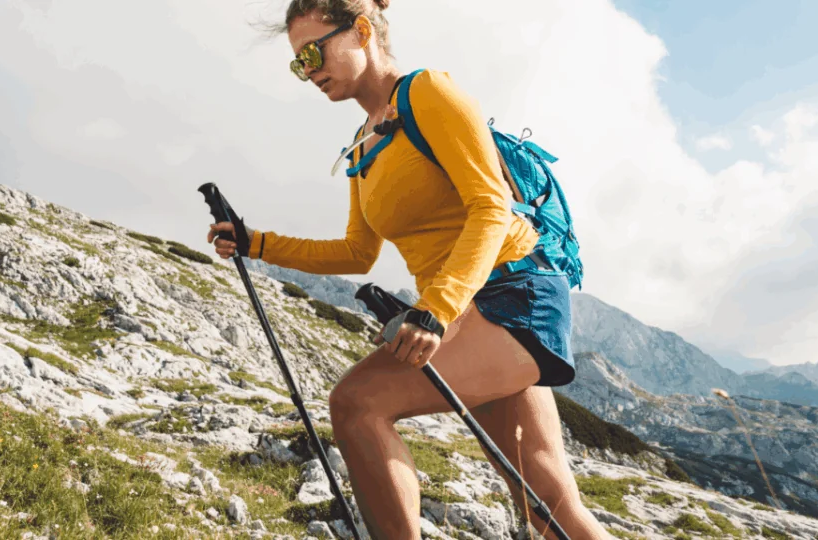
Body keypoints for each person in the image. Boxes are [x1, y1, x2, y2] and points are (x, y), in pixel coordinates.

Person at [207, 1, 612, 538]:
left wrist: (434, 311)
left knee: (357, 404)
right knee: (549, 502)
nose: (307, 71)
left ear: (362, 31)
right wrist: (257, 244)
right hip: (470, 309)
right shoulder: (363, 144)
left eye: (312, 53)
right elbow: (357, 253)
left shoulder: (428, 93)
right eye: (296, 63)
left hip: (513, 295)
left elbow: (491, 207)